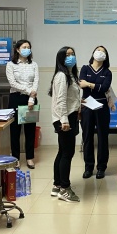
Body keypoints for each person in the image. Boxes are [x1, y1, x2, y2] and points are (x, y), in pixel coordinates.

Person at [49, 46, 81, 203]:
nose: (71, 57)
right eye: (67, 55)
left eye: (72, 54)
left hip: (69, 116)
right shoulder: (62, 75)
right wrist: (64, 120)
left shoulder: (70, 74)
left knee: (62, 152)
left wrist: (79, 104)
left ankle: (57, 185)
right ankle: (65, 189)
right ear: (61, 58)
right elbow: (60, 100)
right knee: (67, 153)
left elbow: (69, 97)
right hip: (65, 118)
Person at [80, 45, 113, 179]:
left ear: (106, 56)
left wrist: (89, 84)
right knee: (87, 136)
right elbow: (81, 84)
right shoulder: (85, 68)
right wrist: (93, 86)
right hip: (87, 104)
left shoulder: (107, 72)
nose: (100, 52)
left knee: (102, 137)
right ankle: (88, 167)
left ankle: (101, 167)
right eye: (98, 50)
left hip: (102, 106)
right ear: (93, 53)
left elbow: (104, 88)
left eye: (103, 51)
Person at [6, 40, 39, 169]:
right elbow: (12, 83)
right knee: (15, 130)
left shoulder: (34, 64)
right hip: (16, 98)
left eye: (28, 47)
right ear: (17, 50)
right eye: (24, 47)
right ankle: (16, 158)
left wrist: (31, 98)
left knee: (30, 130)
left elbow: (36, 82)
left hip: (31, 98)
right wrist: (28, 91)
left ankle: (30, 158)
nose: (27, 49)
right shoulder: (11, 65)